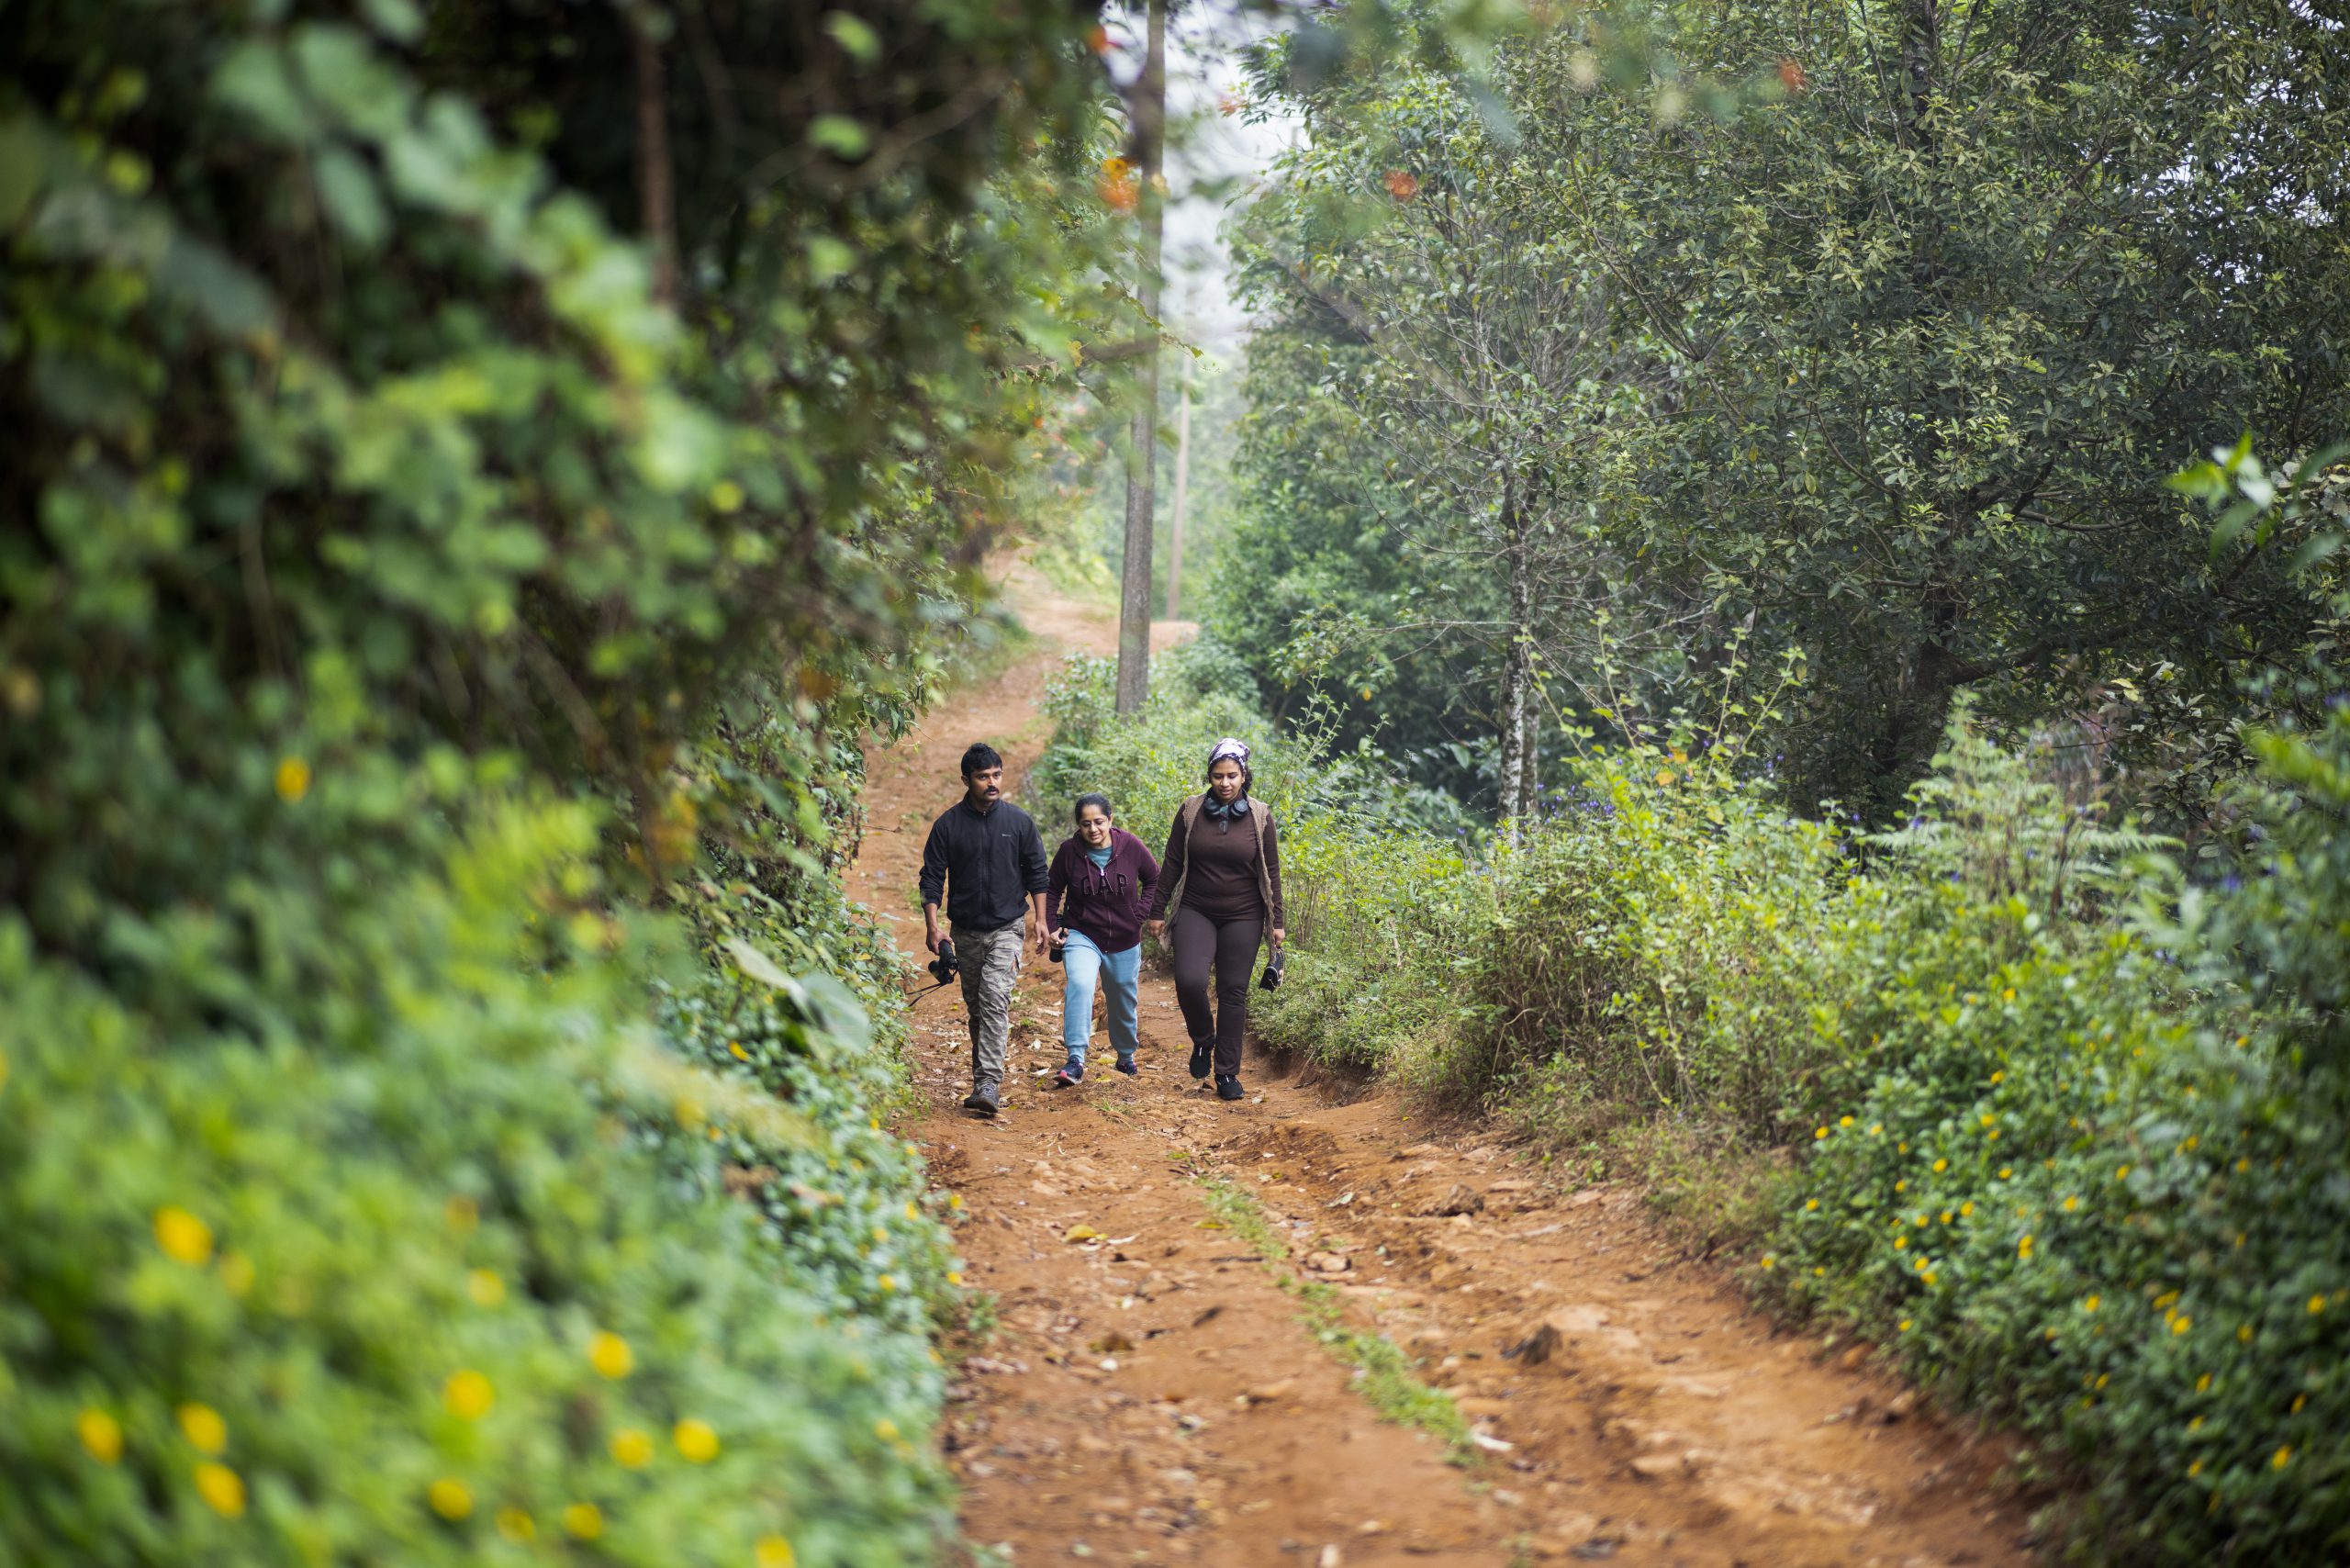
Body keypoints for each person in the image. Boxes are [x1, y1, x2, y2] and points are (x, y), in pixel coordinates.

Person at [1144, 737, 1284, 1103]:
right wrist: (1157, 910)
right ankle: (1204, 1040)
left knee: (1232, 992)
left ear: (1244, 775)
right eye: (1218, 776)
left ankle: (1227, 1074)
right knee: (1189, 981)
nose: (1225, 783)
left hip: (1245, 914)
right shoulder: (1191, 811)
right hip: (1196, 908)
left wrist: (1277, 922)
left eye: (1232, 776)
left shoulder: (1260, 815)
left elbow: (1271, 871)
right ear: (1209, 775)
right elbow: (1172, 861)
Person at [920, 742, 1049, 1117]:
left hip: (1008, 927)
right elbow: (931, 879)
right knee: (978, 1008)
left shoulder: (1018, 822)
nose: (991, 783)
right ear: (966, 780)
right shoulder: (948, 826)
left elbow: (1037, 873)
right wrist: (933, 928)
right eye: (983, 777)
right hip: (965, 931)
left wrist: (1040, 920)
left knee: (994, 998)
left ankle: (989, 1082)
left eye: (996, 775)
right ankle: (983, 1079)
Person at [1044, 793, 1159, 1087]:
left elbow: (1155, 879)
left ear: (1111, 819)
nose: (1093, 829)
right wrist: (1052, 925)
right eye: (1086, 824)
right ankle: (1076, 1059)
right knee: (1081, 984)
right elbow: (1052, 888)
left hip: (1125, 936)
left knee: (1121, 998)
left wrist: (1140, 914)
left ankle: (1124, 1055)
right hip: (1083, 933)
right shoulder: (1069, 852)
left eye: (1098, 822)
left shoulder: (1131, 846)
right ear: (1078, 826)